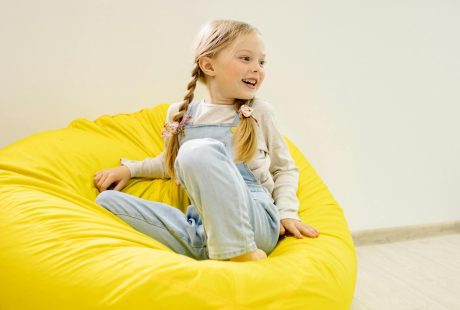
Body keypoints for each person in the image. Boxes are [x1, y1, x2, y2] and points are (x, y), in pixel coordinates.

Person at [94, 19, 319, 262]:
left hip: (254, 220)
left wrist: (287, 213)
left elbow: (283, 168)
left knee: (195, 151)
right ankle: (221, 250)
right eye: (246, 58)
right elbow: (171, 163)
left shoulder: (259, 111)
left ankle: (239, 250)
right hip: (202, 226)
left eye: (261, 62)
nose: (257, 68)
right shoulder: (181, 114)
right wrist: (129, 169)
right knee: (107, 200)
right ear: (208, 65)